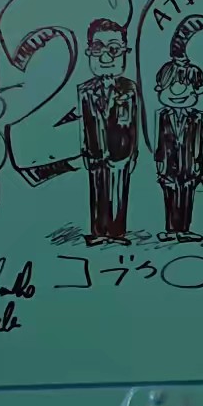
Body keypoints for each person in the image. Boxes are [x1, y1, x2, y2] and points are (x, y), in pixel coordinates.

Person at [77, 18, 137, 247]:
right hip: (95, 151)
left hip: (121, 152)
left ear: (124, 52)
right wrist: (84, 148)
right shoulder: (85, 90)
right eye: (97, 49)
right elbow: (83, 122)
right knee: (97, 190)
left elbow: (134, 122)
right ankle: (99, 231)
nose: (105, 57)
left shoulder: (130, 89)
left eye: (113, 49)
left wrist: (133, 152)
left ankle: (116, 232)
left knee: (119, 190)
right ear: (89, 52)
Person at [154, 55, 203, 242]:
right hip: (169, 164)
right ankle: (171, 230)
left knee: (186, 195)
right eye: (170, 85)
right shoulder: (162, 116)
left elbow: (199, 141)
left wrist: (198, 162)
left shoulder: (197, 117)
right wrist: (159, 160)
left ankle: (184, 230)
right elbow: (159, 140)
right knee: (169, 194)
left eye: (186, 85)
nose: (177, 91)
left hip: (189, 164)